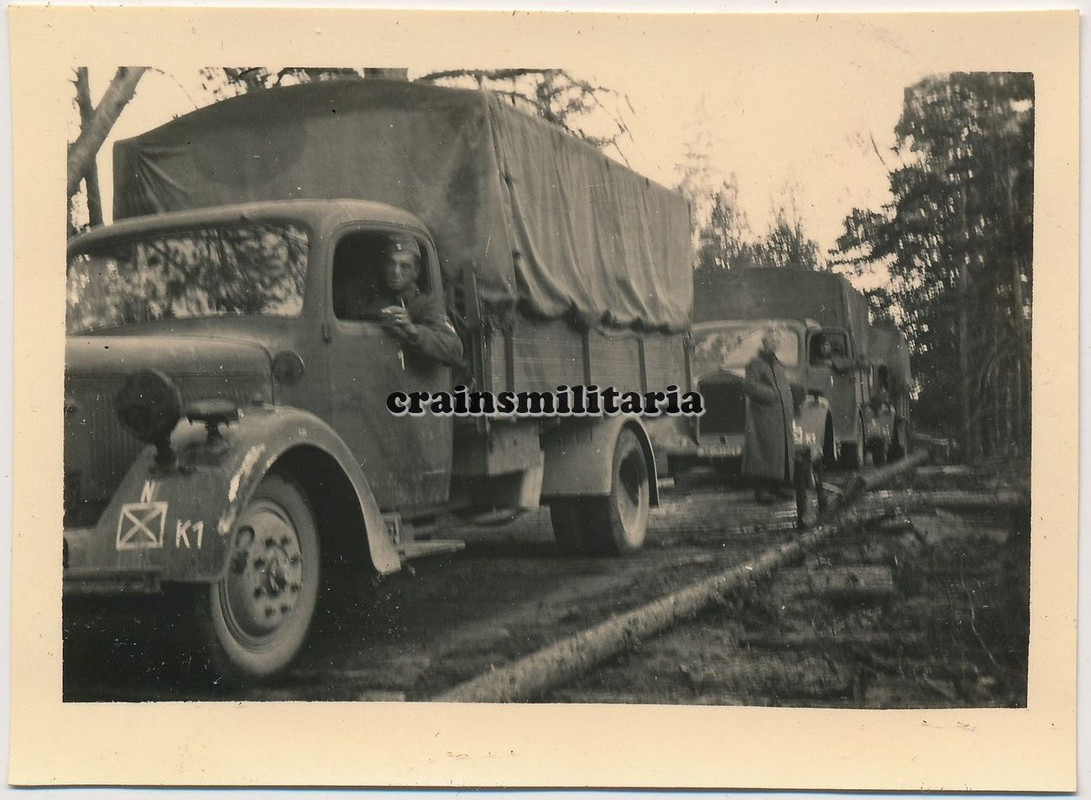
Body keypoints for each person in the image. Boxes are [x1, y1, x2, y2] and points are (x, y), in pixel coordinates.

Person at [350, 234, 464, 368]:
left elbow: (455, 350)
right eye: (391, 263)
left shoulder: (426, 305)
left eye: (405, 266)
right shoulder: (368, 299)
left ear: (416, 272)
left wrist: (413, 329)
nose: (396, 271)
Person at [741, 328, 795, 504]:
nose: (775, 344)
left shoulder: (777, 364)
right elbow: (750, 386)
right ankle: (762, 490)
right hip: (764, 417)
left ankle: (777, 485)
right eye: (772, 341)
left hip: (780, 416)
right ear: (764, 343)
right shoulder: (756, 363)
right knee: (764, 451)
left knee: (779, 452)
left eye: (777, 342)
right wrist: (773, 394)